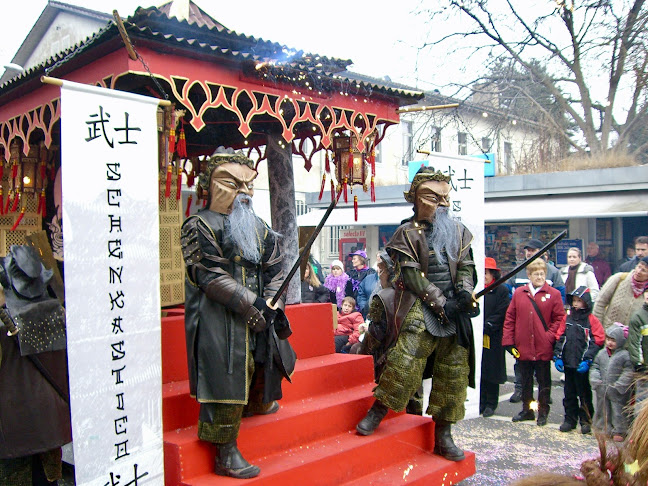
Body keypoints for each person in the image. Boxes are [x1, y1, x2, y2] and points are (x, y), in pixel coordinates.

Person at [181, 148, 295, 479]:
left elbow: (276, 269)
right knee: (227, 369)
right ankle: (225, 450)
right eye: (231, 183)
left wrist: (272, 303)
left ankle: (258, 402)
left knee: (265, 358)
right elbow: (210, 275)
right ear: (209, 185)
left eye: (247, 185)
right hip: (220, 314)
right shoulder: (199, 224)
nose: (242, 192)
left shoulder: (258, 226)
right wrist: (250, 305)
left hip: (259, 311)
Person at [355, 166, 478, 462]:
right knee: (404, 361)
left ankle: (444, 434)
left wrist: (463, 291)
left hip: (455, 312)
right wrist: (439, 302)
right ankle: (379, 410)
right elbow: (411, 276)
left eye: (445, 197)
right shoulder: (406, 233)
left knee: (453, 373)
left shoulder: (459, 231)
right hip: (421, 307)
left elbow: (466, 267)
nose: (441, 204)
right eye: (433, 198)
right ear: (416, 199)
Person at [0, 245, 71, 486]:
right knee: (46, 480)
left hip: (15, 428)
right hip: (51, 421)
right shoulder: (60, 314)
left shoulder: (4, 327)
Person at [502, 259, 565, 426]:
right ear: (529, 275)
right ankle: (527, 409)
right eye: (536, 274)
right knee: (525, 380)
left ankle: (543, 411)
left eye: (542, 273)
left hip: (543, 346)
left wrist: (549, 336)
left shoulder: (554, 294)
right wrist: (509, 341)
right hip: (523, 345)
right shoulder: (519, 293)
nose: (539, 276)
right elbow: (510, 317)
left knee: (544, 380)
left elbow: (559, 318)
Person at [553, 286, 605, 434]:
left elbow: (598, 340)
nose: (575, 303)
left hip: (582, 363)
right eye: (574, 301)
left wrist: (588, 359)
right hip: (568, 363)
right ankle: (570, 419)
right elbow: (560, 337)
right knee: (568, 393)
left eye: (579, 301)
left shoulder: (591, 320)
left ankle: (586, 420)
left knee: (584, 394)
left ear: (586, 302)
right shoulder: (567, 318)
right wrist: (557, 356)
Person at [590, 323, 634, 442]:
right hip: (602, 387)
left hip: (617, 390)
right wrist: (595, 379)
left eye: (613, 340)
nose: (610, 343)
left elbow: (628, 371)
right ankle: (602, 428)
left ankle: (619, 430)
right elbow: (595, 366)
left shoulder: (625, 355)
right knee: (602, 408)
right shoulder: (602, 354)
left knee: (618, 411)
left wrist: (620, 385)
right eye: (608, 339)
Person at [480, 257, 510, 418]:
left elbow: (502, 311)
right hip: (479, 336)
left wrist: (489, 324)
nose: (484, 275)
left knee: (492, 370)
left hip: (494, 336)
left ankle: (491, 403)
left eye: (486, 272)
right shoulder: (476, 289)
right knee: (481, 369)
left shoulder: (501, 290)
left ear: (493, 274)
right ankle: (481, 401)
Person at [593, 256, 648, 329]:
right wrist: (598, 329)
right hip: (608, 333)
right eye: (638, 267)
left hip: (632, 337)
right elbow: (600, 302)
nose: (638, 271)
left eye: (643, 270)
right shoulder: (619, 278)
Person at [627, 283, 648, 413]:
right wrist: (640, 365)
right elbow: (634, 343)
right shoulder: (638, 317)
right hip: (645, 370)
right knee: (642, 403)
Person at [348, 250, 377, 315]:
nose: (352, 261)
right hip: (352, 306)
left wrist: (364, 307)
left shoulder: (370, 272)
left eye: (354, 259)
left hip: (365, 306)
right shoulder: (351, 273)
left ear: (361, 260)